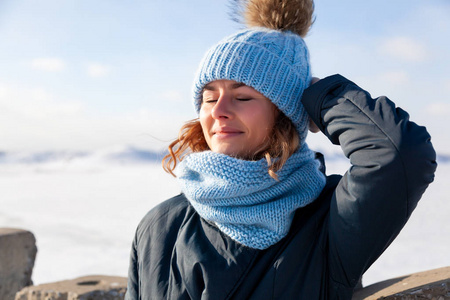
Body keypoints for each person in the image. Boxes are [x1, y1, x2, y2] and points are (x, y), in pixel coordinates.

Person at [125, 0, 437, 299]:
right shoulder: (160, 225)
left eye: (243, 97)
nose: (218, 110)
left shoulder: (328, 222)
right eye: (208, 98)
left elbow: (398, 153)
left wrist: (320, 98)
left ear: (284, 113)